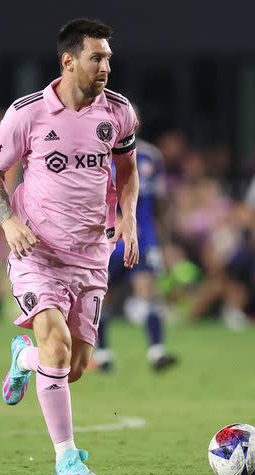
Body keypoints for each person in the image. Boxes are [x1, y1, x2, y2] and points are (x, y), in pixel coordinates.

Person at [0, 19, 139, 475]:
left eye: (108, 56)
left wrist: (127, 215)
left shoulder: (119, 112)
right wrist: (8, 221)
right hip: (37, 251)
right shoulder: (28, 113)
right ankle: (66, 458)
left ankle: (21, 359)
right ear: (69, 62)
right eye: (98, 56)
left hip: (92, 253)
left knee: (72, 368)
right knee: (55, 343)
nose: (107, 64)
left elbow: (128, 171)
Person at [93, 137, 178, 372]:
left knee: (147, 290)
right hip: (111, 237)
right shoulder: (97, 153)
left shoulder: (150, 155)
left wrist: (165, 243)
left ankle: (157, 352)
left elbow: (160, 203)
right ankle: (103, 354)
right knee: (102, 296)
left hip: (144, 237)